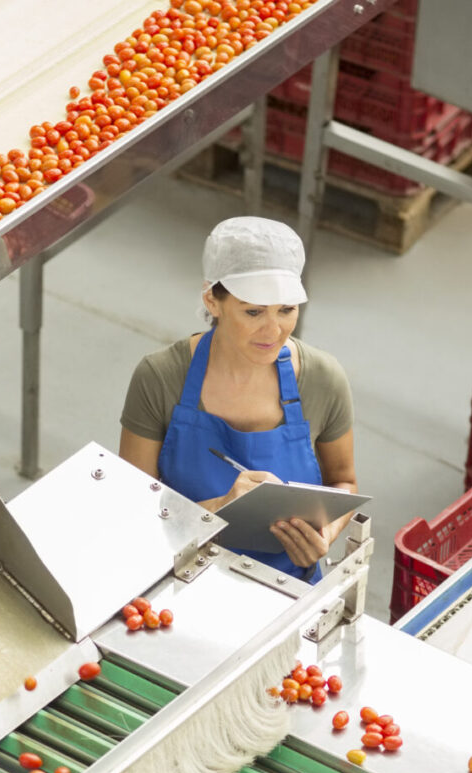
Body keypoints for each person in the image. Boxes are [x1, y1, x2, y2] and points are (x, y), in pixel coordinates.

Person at [119, 217, 357, 582]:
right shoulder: (161, 377)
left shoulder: (323, 379)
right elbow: (132, 506)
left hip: (287, 585)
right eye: (253, 311)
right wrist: (217, 511)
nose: (273, 330)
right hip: (182, 574)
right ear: (212, 300)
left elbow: (343, 482)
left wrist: (323, 534)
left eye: (286, 310)